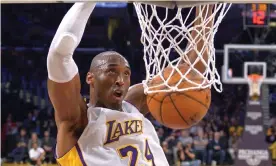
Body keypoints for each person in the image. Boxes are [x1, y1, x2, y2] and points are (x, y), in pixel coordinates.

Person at [47, 2, 214, 166]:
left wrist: (206, 8)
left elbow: (191, 73)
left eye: (126, 74)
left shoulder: (132, 104)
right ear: (90, 78)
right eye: (111, 72)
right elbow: (59, 55)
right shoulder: (78, 122)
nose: (120, 80)